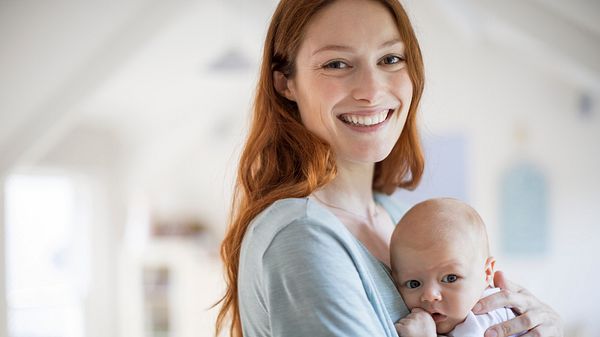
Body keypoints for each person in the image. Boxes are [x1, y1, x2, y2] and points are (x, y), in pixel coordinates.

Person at [215, 0, 563, 336]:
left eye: (390, 59)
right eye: (336, 63)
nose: (371, 89)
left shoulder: (396, 215)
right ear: (285, 83)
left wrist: (541, 327)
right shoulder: (302, 236)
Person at [391, 198, 522, 337]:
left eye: (450, 278)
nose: (430, 295)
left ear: (487, 272)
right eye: (414, 284)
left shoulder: (485, 320)